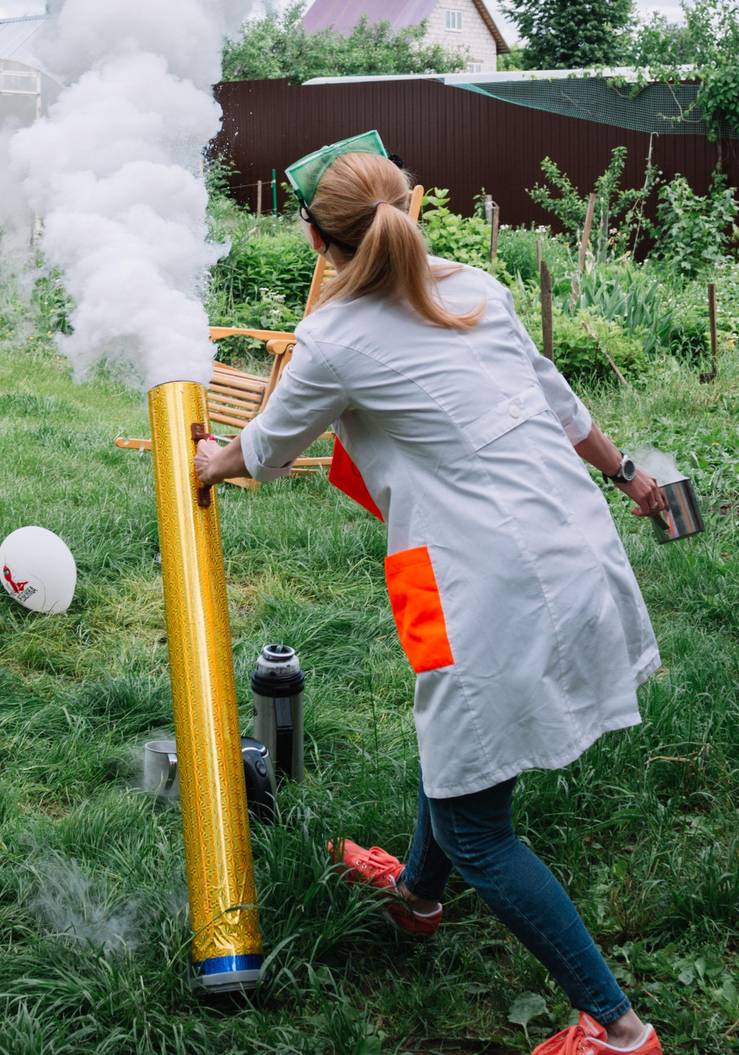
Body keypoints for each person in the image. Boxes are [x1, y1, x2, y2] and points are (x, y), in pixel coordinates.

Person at [193, 142, 670, 1055]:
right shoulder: (479, 285)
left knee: (476, 824)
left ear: (313, 238)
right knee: (456, 746)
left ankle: (618, 1029)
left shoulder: (334, 337)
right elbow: (562, 403)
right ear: (411, 205)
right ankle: (416, 896)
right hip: (567, 543)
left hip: (484, 583)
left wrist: (206, 457)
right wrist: (631, 473)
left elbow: (264, 447)